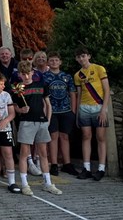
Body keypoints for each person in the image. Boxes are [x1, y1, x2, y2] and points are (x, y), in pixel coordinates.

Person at [11, 60, 61, 195]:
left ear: (33, 73)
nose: (26, 76)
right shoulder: (17, 89)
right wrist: (21, 110)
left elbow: (48, 104)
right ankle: (25, 184)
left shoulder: (41, 85)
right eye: (23, 74)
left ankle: (48, 183)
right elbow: (14, 106)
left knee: (43, 153)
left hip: (41, 122)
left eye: (28, 73)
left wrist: (48, 120)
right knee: (24, 153)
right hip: (26, 122)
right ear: (20, 75)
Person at [73, 47, 110, 181]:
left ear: (88, 56)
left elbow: (106, 90)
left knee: (100, 137)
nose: (81, 59)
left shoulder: (99, 69)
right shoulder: (77, 75)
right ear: (76, 59)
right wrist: (77, 113)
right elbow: (79, 94)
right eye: (79, 57)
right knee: (86, 136)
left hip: (99, 106)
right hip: (84, 107)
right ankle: (86, 168)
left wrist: (103, 110)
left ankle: (101, 168)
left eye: (83, 56)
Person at [45, 51, 78, 176]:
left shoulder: (67, 77)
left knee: (65, 137)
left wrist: (73, 111)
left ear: (60, 62)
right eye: (51, 60)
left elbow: (72, 94)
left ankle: (67, 163)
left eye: (56, 60)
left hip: (66, 110)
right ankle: (54, 164)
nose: (54, 62)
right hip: (52, 111)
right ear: (48, 62)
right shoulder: (45, 77)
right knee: (53, 136)